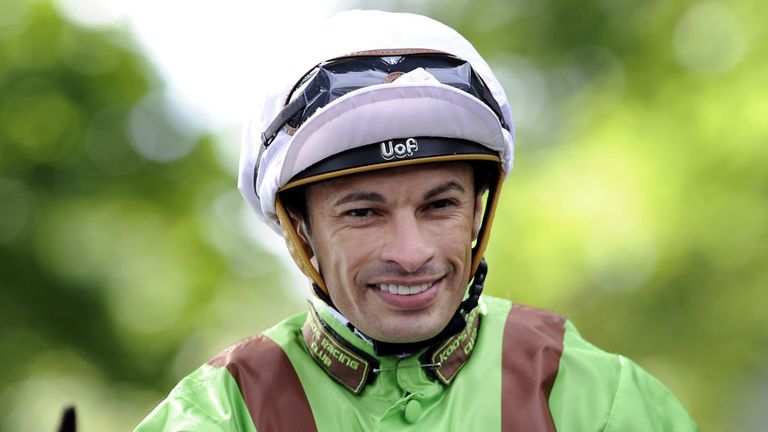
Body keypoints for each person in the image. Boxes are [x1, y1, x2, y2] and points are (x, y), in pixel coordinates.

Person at [135, 10, 697, 431]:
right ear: (301, 231)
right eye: (363, 212)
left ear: (479, 211)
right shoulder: (222, 413)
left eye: (439, 205)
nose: (410, 251)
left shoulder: (596, 397)